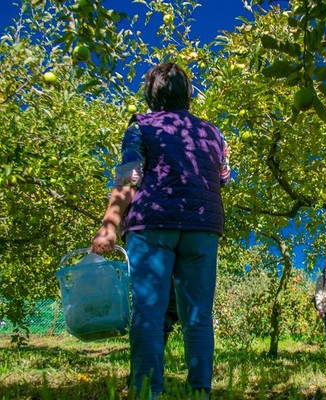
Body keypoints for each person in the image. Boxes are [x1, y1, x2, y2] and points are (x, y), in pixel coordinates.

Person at [91, 63, 231, 399]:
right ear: (188, 94)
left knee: (149, 312)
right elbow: (224, 177)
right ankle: (200, 392)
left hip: (152, 224)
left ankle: (146, 392)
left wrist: (109, 225)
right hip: (201, 226)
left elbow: (129, 178)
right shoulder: (213, 133)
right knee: (198, 315)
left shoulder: (141, 126)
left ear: (151, 93)